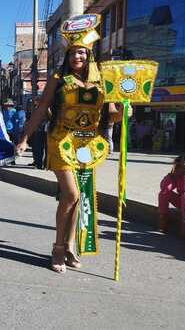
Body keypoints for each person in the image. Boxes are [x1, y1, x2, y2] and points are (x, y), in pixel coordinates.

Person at [16, 14, 127, 273]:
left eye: (82, 53)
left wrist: (124, 109)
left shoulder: (101, 79)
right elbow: (42, 109)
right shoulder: (58, 78)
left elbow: (111, 114)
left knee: (77, 199)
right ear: (67, 56)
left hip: (88, 145)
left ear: (88, 55)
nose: (77, 57)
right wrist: (24, 138)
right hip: (61, 140)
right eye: (73, 53)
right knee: (72, 194)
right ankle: (57, 248)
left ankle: (68, 246)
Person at [158, 154, 185, 238]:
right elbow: (164, 187)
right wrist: (172, 175)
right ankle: (164, 217)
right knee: (163, 193)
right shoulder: (178, 174)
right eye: (179, 165)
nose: (182, 168)